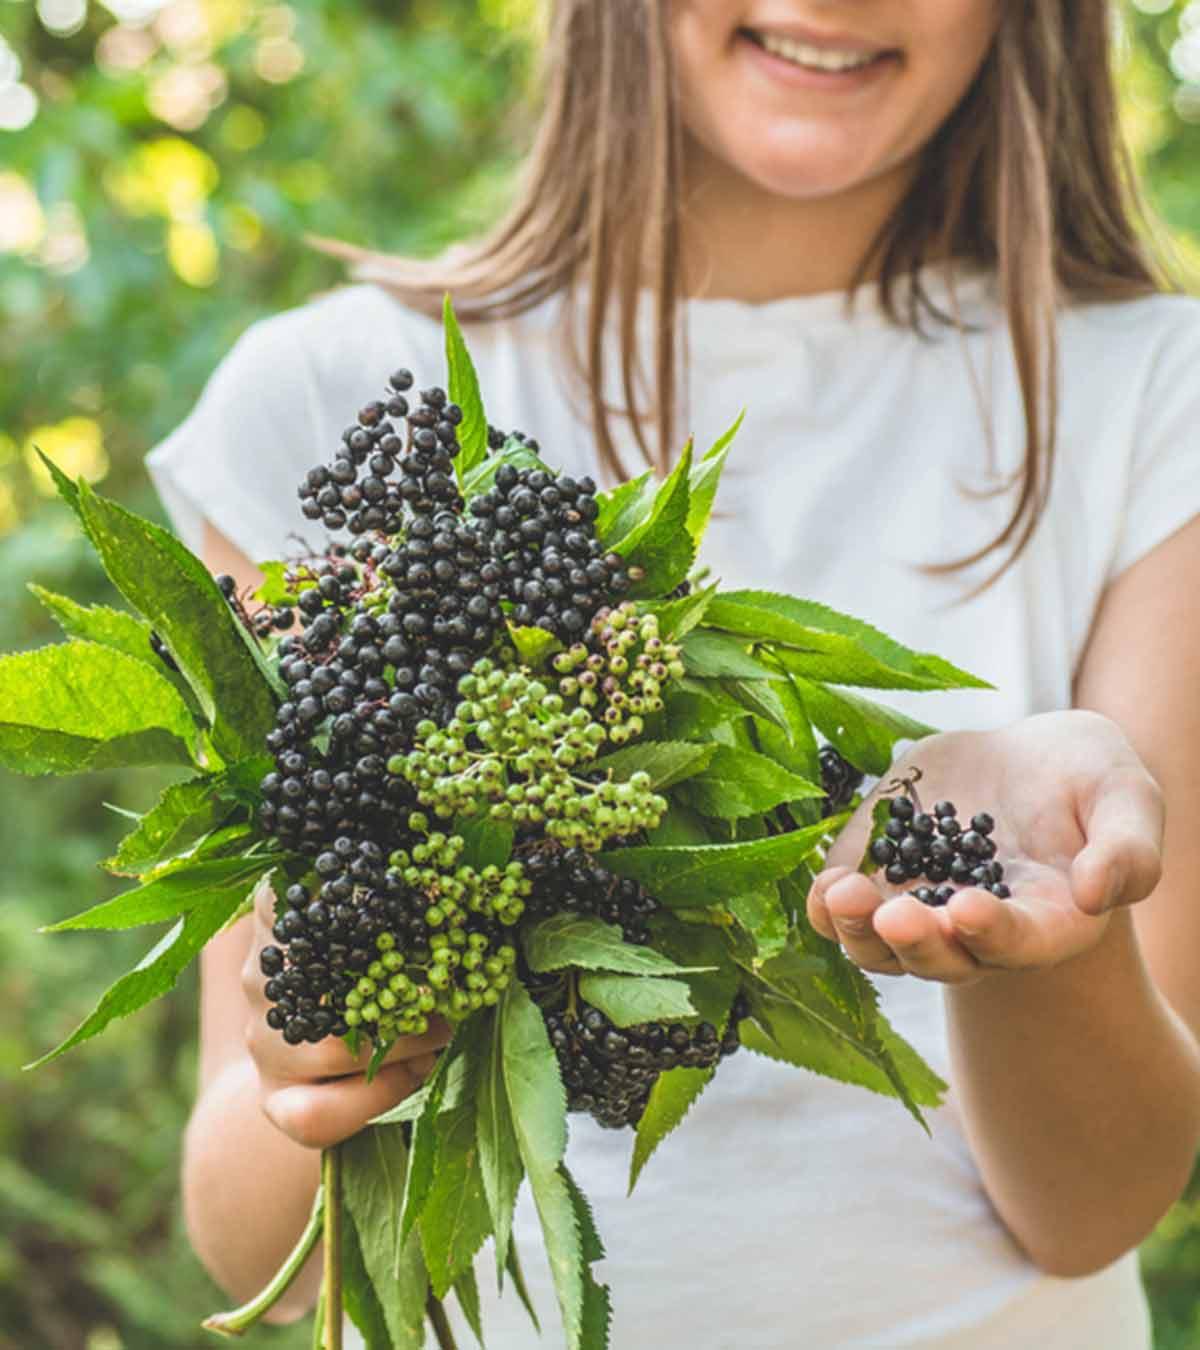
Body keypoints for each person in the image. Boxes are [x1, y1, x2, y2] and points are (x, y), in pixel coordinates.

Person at [148, 2, 1200, 1346]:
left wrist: (1050, 931)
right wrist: (326, 1036)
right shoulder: (331, 401)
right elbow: (268, 1259)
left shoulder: (1150, 397)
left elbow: (1100, 1203)